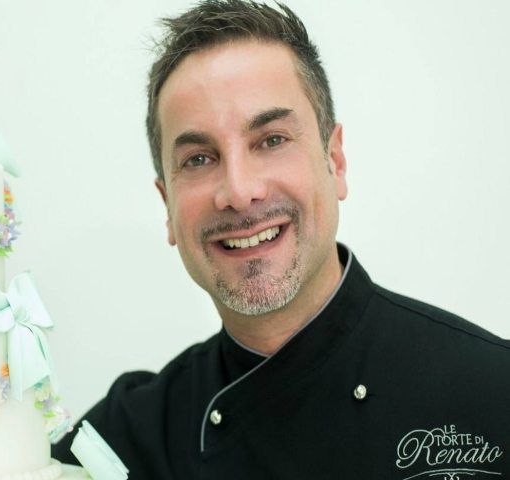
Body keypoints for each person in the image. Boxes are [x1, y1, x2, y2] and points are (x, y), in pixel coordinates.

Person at [53, 1, 510, 478]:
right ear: (167, 205)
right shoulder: (125, 440)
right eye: (198, 159)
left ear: (335, 162)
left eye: (271, 140)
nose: (239, 192)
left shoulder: (492, 391)